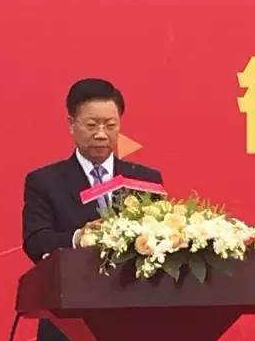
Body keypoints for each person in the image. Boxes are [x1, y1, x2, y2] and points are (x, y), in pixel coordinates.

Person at [21, 78, 163, 341]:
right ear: (71, 124)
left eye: (110, 125)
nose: (101, 134)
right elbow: (36, 242)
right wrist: (79, 237)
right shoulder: (45, 182)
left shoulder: (145, 180)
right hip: (68, 323)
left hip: (133, 321)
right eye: (91, 125)